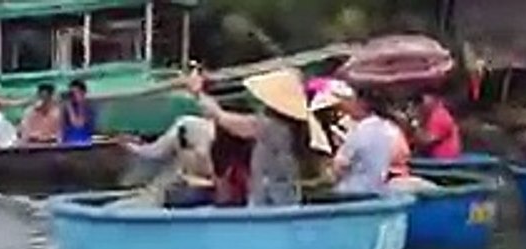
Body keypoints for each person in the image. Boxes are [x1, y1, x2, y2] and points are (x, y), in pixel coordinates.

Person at [186, 67, 330, 206]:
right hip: (283, 199)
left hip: (272, 202)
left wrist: (198, 93)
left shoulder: (272, 127)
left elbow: (220, 117)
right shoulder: (294, 128)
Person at [117, 114, 216, 207]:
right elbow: (153, 152)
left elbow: (154, 152)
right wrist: (130, 145)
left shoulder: (190, 126)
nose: (200, 153)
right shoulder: (185, 126)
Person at [331, 86, 398, 195]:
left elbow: (339, 166)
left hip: (351, 192)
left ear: (362, 104)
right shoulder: (388, 128)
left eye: (352, 101)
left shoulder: (359, 132)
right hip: (377, 189)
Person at [413, 91, 461, 159]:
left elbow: (426, 141)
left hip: (443, 162)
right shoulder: (429, 116)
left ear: (433, 99)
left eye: (421, 100)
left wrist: (414, 126)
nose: (419, 104)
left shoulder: (440, 116)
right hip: (434, 159)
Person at [60, 79, 96, 144]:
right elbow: (61, 129)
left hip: (84, 141)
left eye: (76, 92)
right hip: (68, 143)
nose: (73, 96)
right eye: (71, 93)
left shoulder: (88, 108)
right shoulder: (66, 108)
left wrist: (79, 104)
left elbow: (79, 126)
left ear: (83, 93)